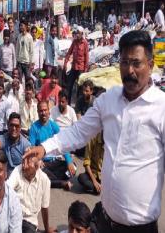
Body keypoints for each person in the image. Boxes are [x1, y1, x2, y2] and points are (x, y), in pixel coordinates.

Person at [26, 30, 165, 232]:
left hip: (140, 227)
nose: (130, 70)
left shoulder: (161, 107)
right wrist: (44, 148)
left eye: (137, 63)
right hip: (105, 221)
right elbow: (78, 132)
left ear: (151, 65)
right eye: (125, 63)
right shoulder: (109, 100)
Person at [29, 101, 75, 190]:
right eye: (41, 111)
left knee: (74, 167)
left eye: (45, 110)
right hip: (43, 163)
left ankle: (50, 180)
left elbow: (63, 143)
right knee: (38, 171)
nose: (43, 113)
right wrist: (38, 160)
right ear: (38, 112)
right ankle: (61, 183)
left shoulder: (54, 126)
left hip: (55, 161)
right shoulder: (33, 128)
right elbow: (32, 147)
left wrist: (69, 161)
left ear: (49, 112)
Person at [7, 156, 53, 233]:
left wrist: (47, 229)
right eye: (23, 161)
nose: (24, 165)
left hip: (29, 221)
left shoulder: (45, 180)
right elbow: (7, 190)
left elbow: (44, 208)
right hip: (13, 217)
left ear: (37, 166)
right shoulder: (17, 170)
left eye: (28, 162)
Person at [64, 26, 89, 103]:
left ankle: (78, 105)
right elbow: (69, 53)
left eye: (78, 33)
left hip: (81, 69)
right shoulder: (74, 42)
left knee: (80, 88)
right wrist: (65, 63)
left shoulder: (85, 43)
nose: (77, 34)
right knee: (69, 86)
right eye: (76, 33)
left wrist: (85, 70)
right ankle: (67, 103)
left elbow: (86, 57)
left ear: (81, 34)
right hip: (74, 67)